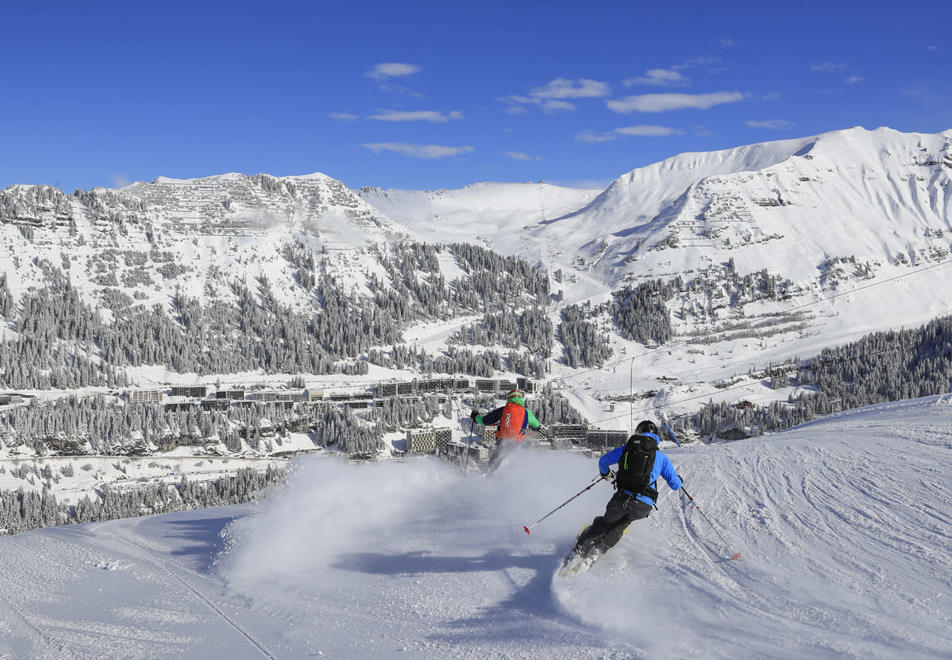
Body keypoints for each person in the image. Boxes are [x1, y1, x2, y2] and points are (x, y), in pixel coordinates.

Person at [568, 419, 682, 562]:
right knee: (621, 526)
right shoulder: (661, 457)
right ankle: (597, 552)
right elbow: (676, 485)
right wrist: (679, 479)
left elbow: (603, 461)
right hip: (643, 505)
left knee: (605, 523)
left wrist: (606, 474)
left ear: (638, 433)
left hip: (622, 498)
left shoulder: (627, 448)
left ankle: (578, 552)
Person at [471, 389, 541, 468]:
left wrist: (476, 417)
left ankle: (489, 475)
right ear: (521, 399)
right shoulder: (526, 412)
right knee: (522, 465)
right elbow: (536, 425)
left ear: (509, 399)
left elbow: (485, 421)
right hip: (519, 443)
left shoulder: (503, 410)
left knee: (493, 465)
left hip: (503, 442)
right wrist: (536, 428)